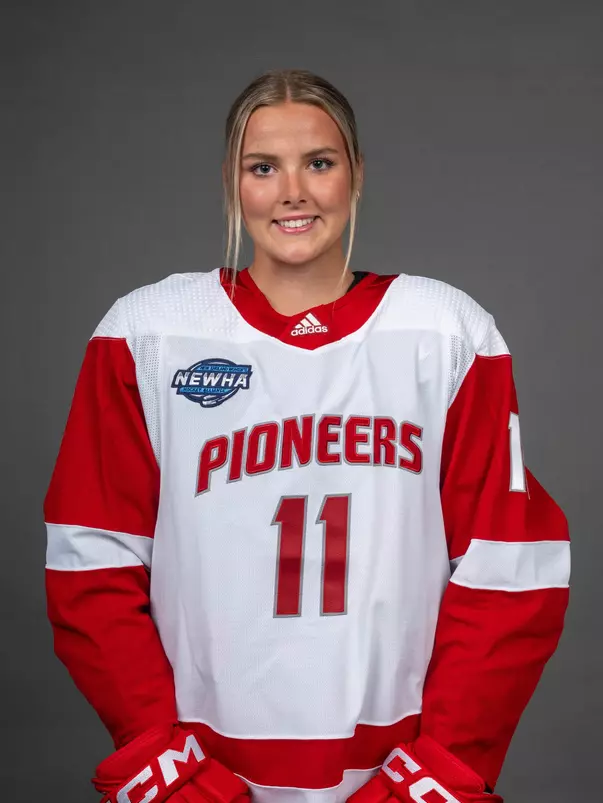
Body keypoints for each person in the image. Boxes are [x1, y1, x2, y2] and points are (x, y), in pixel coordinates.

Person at [44, 69, 570, 803]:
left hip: (398, 767)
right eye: (263, 167)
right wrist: (159, 757)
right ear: (232, 185)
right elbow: (91, 563)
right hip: (200, 765)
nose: (292, 191)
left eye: (318, 162)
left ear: (355, 175)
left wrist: (443, 766)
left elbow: (510, 567)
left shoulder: (446, 331)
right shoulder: (147, 331)